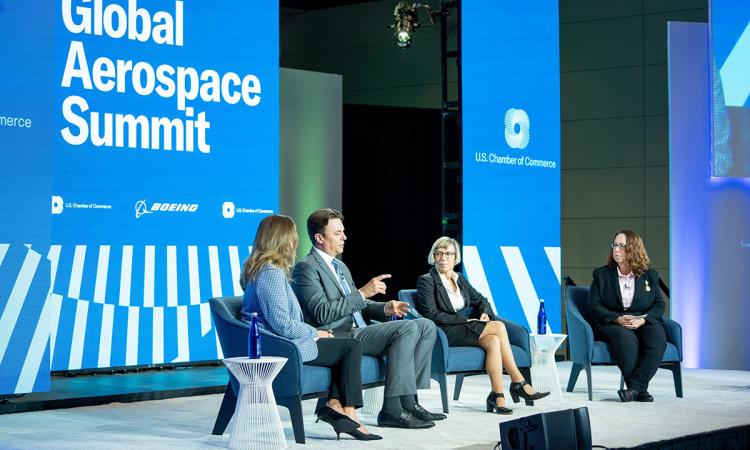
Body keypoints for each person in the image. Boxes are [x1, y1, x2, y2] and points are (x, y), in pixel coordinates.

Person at [292, 208, 445, 429]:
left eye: (343, 232)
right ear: (319, 238)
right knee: (407, 329)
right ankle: (392, 409)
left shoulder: (340, 266)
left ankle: (410, 401)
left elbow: (358, 306)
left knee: (425, 326)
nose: (344, 237)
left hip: (360, 329)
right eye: (337, 233)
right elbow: (322, 313)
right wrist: (363, 292)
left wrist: (385, 309)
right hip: (340, 336)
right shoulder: (306, 268)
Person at [241, 215, 381, 441]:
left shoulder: (261, 270)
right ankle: (349, 411)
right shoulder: (271, 273)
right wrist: (314, 332)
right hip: (281, 347)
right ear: (284, 239)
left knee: (344, 346)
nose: (296, 242)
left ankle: (336, 405)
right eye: (293, 236)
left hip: (281, 342)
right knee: (350, 347)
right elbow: (282, 324)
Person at [415, 236, 549, 414]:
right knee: (498, 327)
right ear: (434, 256)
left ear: (455, 257)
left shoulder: (459, 278)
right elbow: (432, 315)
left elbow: (481, 300)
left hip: (463, 328)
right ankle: (518, 381)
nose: (443, 257)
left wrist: (485, 312)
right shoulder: (427, 280)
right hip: (444, 331)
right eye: (439, 253)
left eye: (448, 253)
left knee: (494, 340)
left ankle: (497, 396)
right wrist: (465, 320)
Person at [588, 229, 666, 402]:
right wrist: (616, 318)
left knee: (658, 338)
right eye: (615, 245)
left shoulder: (649, 275)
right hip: (612, 321)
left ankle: (634, 388)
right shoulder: (601, 274)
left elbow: (659, 304)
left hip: (641, 319)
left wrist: (643, 320)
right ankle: (640, 390)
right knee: (626, 338)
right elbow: (594, 306)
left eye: (622, 246)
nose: (616, 249)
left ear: (634, 249)